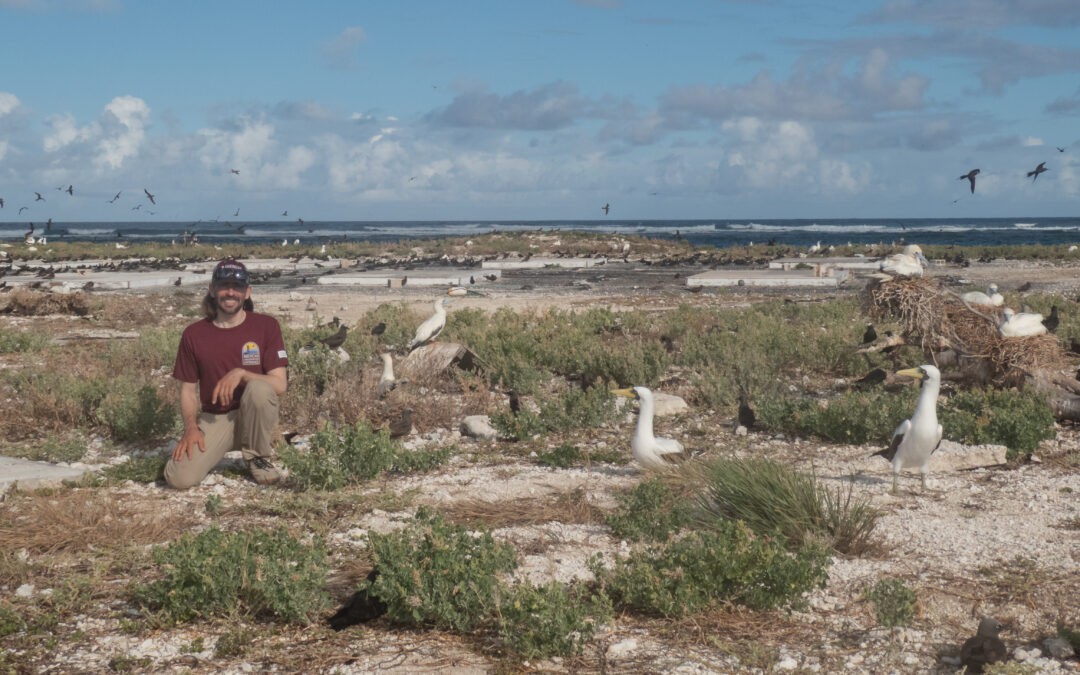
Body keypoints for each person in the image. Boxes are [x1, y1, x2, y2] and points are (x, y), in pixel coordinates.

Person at [164, 259, 289, 489]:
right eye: (224, 286)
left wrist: (242, 374)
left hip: (256, 417)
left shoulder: (266, 326)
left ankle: (257, 458)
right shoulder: (194, 334)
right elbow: (188, 391)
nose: (230, 292)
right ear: (212, 290)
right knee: (178, 479)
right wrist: (191, 428)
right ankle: (220, 447)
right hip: (216, 419)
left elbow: (279, 385)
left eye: (238, 287)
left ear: (247, 292)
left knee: (259, 388)